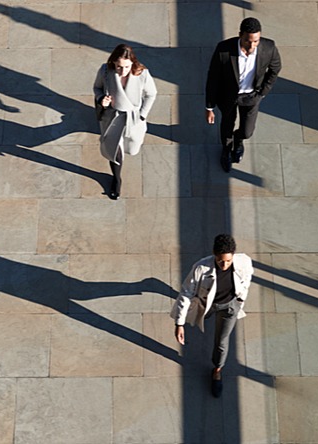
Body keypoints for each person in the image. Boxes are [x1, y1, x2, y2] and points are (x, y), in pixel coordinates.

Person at [171, 234, 254, 398]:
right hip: (206, 304)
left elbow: (248, 277)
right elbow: (186, 293)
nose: (224, 265)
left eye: (228, 261)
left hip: (230, 306)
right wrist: (179, 324)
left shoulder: (244, 261)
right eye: (221, 261)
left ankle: (217, 370)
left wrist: (241, 299)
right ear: (214, 255)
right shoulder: (201, 268)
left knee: (222, 341)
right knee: (197, 316)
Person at [205, 17, 282, 173]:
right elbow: (213, 78)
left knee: (247, 131)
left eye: (256, 41)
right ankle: (226, 150)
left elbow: (275, 69)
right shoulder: (224, 49)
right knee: (227, 124)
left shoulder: (269, 47)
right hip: (228, 97)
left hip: (252, 96)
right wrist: (209, 106)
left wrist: (263, 92)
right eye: (248, 41)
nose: (252, 45)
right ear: (240, 35)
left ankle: (238, 140)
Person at [94, 44, 157, 200]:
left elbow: (151, 94)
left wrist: (142, 115)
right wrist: (102, 99)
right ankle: (116, 179)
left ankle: (117, 173)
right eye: (119, 67)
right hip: (112, 117)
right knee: (114, 150)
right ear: (113, 63)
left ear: (132, 63)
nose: (123, 71)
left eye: (127, 67)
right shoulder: (105, 71)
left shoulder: (142, 74)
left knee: (133, 147)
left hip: (133, 118)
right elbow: (97, 88)